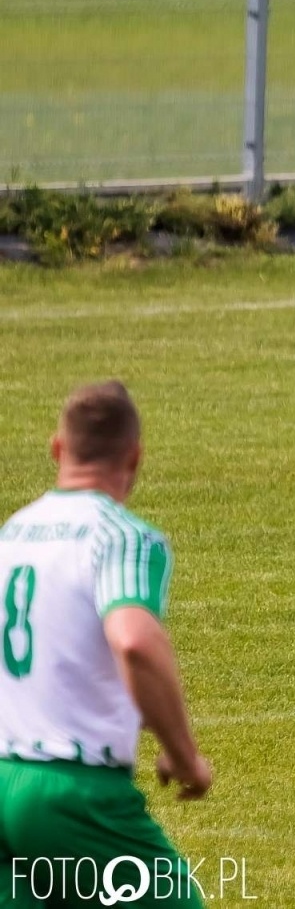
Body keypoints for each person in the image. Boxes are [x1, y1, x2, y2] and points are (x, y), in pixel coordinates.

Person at [0, 381, 212, 908]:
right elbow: (135, 641)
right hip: (72, 795)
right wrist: (183, 755)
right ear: (135, 456)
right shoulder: (118, 537)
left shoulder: (12, 535)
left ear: (57, 449)